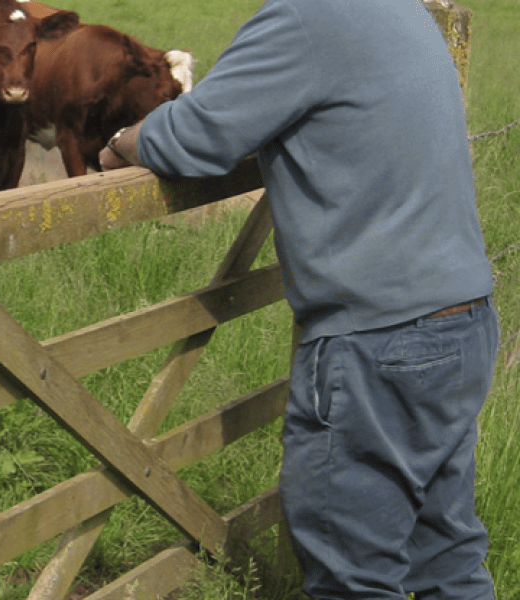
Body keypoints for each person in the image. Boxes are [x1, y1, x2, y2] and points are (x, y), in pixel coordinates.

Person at [100, 0, 498, 598]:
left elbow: (197, 135)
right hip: (458, 317)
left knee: (352, 575)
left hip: (377, 340)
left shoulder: (305, 17)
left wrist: (121, 140)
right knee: (447, 557)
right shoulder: (400, 8)